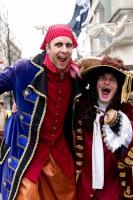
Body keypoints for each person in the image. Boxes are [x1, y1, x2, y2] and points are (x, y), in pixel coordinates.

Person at [0, 24, 80, 200]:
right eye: (59, 44)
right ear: (47, 47)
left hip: (59, 157)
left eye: (69, 45)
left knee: (69, 194)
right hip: (28, 155)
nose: (64, 50)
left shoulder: (76, 76)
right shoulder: (25, 70)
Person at [73, 56, 133, 200]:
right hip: (82, 190)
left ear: (119, 86)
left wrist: (127, 130)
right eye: (102, 77)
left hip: (116, 192)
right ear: (95, 83)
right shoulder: (79, 108)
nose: (107, 82)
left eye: (113, 79)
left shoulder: (128, 112)